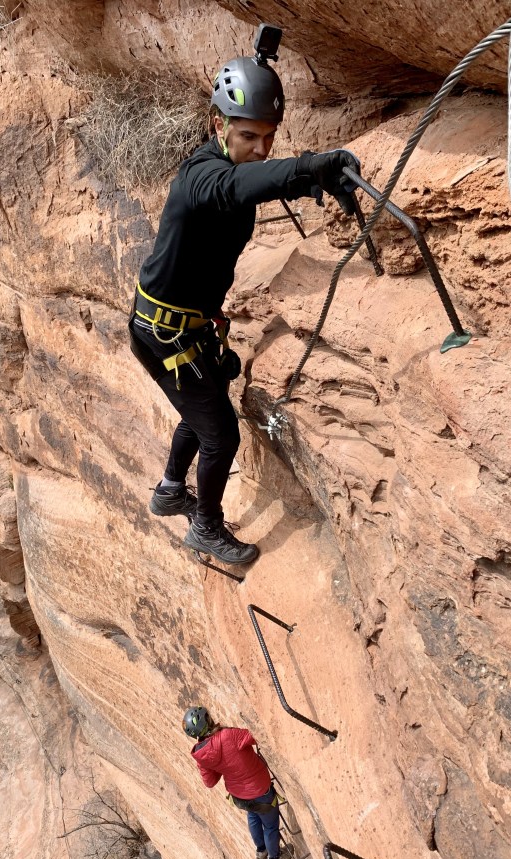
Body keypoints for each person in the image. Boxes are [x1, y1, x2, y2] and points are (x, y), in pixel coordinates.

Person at [129, 23, 360, 564]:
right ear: (219, 125)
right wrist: (306, 166)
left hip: (180, 326)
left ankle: (169, 491)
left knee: (202, 407)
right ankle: (205, 526)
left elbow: (254, 184)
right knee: (222, 436)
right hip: (162, 334)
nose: (260, 149)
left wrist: (314, 182)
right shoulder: (201, 178)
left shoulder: (234, 170)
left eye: (268, 138)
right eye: (248, 137)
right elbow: (236, 188)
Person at [183, 705, 293, 859]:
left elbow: (210, 782)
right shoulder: (227, 735)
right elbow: (256, 736)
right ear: (207, 721)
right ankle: (274, 858)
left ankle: (261, 851)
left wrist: (221, 766)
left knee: (253, 816)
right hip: (260, 790)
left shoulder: (201, 755)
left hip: (240, 796)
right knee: (270, 826)